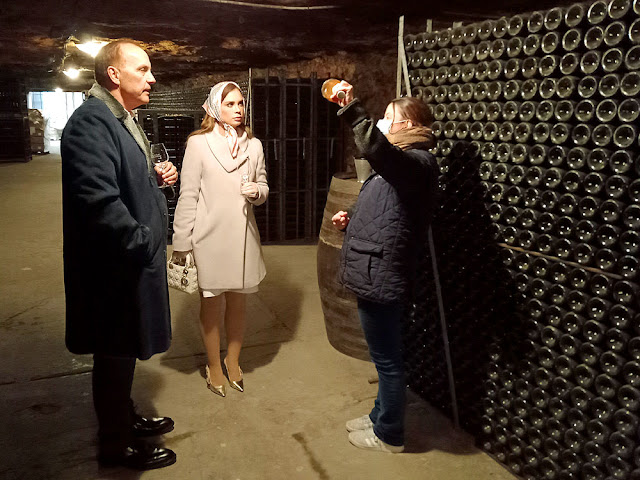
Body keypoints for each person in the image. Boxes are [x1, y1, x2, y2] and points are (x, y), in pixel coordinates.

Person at [61, 40, 178, 470]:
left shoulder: (120, 117)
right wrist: (143, 241)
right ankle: (115, 445)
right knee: (113, 352)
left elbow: (124, 174)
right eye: (143, 69)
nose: (152, 78)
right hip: (113, 269)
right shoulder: (91, 123)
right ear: (114, 74)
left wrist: (155, 175)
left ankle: (123, 418)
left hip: (126, 264)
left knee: (122, 350)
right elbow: (98, 201)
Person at [329, 81, 438, 453]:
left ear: (409, 125)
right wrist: (352, 217)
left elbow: (377, 152)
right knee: (384, 356)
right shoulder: (402, 163)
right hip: (376, 269)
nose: (385, 124)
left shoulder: (416, 162)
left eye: (391, 118)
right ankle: (380, 415)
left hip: (383, 272)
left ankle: (389, 434)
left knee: (387, 360)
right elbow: (387, 209)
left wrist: (352, 108)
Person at [171, 81, 268, 398]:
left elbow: (264, 185)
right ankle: (214, 365)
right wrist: (181, 242)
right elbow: (188, 195)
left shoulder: (254, 145)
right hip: (209, 237)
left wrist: (258, 193)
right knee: (211, 306)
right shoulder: (198, 144)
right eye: (230, 104)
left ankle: (234, 359)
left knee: (238, 305)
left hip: (243, 237)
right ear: (215, 107)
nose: (238, 110)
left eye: (241, 104)